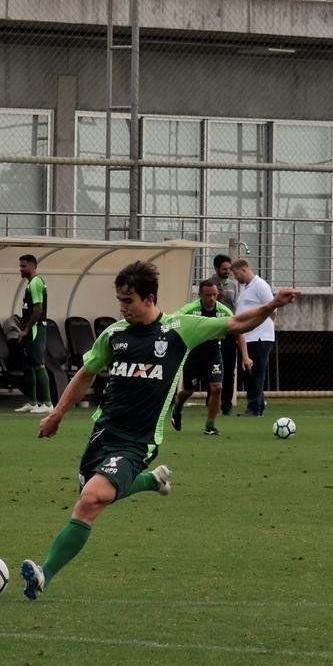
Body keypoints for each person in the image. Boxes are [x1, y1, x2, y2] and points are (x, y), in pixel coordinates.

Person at [19, 260, 299, 600]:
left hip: (138, 441)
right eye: (120, 301)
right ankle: (153, 481)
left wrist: (272, 305)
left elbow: (237, 323)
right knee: (95, 493)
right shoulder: (114, 334)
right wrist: (57, 414)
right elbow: (87, 373)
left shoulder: (179, 329)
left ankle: (43, 575)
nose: (122, 308)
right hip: (102, 433)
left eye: (128, 301)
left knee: (91, 500)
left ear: (149, 298)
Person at [169, 278, 243, 436]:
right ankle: (177, 406)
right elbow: (173, 322)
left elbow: (239, 332)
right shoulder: (190, 309)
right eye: (208, 295)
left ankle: (210, 426)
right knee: (188, 391)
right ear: (200, 295)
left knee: (217, 388)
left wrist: (246, 356)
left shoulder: (224, 311)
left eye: (214, 295)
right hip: (193, 352)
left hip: (213, 352)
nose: (211, 298)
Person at [231, 258, 275, 416]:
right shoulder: (247, 288)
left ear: (244, 270)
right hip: (248, 336)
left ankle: (254, 407)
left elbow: (272, 308)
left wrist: (263, 327)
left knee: (256, 372)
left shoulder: (260, 285)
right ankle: (258, 404)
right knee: (249, 373)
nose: (236, 277)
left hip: (259, 337)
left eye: (236, 274)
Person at [15, 254, 51, 414]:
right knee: (28, 364)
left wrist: (26, 329)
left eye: (23, 266)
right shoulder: (31, 284)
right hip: (30, 329)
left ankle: (48, 403)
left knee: (38, 363)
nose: (21, 269)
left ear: (32, 266)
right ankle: (32, 402)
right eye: (20, 266)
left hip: (36, 328)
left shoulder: (36, 282)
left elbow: (38, 309)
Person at [213, 253, 240, 415]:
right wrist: (217, 299)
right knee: (213, 368)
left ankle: (227, 405)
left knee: (229, 369)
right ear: (216, 269)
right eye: (224, 269)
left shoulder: (234, 284)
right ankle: (212, 402)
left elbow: (236, 305)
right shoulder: (210, 284)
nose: (227, 271)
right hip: (214, 330)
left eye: (229, 269)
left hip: (229, 329)